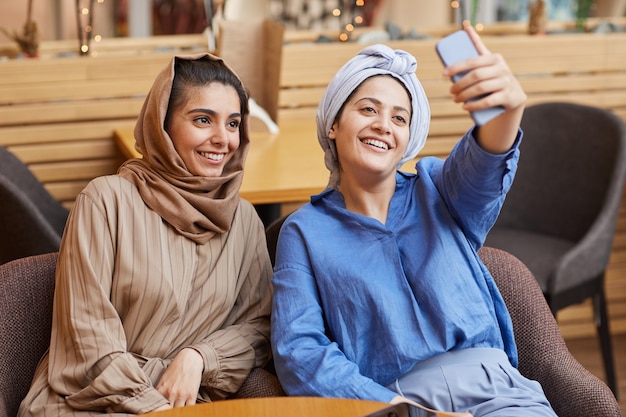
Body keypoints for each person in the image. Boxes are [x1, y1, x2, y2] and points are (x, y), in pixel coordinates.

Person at [270, 26, 557, 416]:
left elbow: (487, 161)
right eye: (368, 109)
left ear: (408, 138)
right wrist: (394, 407)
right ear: (333, 125)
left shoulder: (440, 187)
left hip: (497, 394)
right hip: (394, 404)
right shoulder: (303, 231)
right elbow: (300, 352)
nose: (383, 125)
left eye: (399, 118)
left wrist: (503, 112)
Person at [18, 53, 273, 416]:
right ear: (163, 125)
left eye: (233, 124)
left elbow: (259, 326)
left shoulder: (243, 220)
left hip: (187, 403)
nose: (223, 139)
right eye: (203, 120)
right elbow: (87, 341)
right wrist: (155, 407)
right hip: (86, 402)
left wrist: (199, 358)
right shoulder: (106, 201)